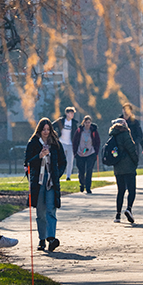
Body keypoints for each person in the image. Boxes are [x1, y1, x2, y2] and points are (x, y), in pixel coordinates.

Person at [25, 118, 67, 252]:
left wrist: (56, 175)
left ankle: (51, 238)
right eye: (44, 130)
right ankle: (42, 239)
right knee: (40, 212)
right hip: (38, 181)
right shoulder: (33, 143)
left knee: (51, 210)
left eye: (48, 130)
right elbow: (28, 163)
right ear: (39, 130)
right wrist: (39, 156)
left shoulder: (55, 143)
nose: (46, 132)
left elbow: (63, 162)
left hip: (51, 181)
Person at [108, 118, 138, 223]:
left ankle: (118, 214)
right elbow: (131, 149)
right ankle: (129, 208)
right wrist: (136, 161)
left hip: (118, 167)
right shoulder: (125, 134)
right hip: (129, 167)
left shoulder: (113, 135)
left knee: (120, 191)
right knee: (132, 190)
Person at [72, 115, 101, 194]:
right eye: (86, 122)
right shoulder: (79, 131)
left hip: (90, 153)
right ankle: (82, 184)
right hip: (80, 153)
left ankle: (88, 187)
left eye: (89, 122)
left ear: (91, 123)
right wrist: (75, 152)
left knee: (89, 170)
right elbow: (75, 142)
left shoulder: (94, 131)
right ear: (83, 123)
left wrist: (96, 152)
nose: (87, 124)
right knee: (81, 171)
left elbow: (98, 142)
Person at [53, 107, 79, 181]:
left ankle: (68, 176)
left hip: (70, 144)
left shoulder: (74, 123)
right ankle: (58, 174)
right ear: (67, 113)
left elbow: (76, 133)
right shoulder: (61, 121)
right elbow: (52, 126)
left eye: (73, 113)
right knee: (60, 159)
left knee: (70, 160)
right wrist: (56, 136)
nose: (72, 114)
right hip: (62, 143)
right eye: (70, 113)